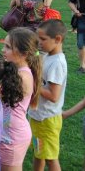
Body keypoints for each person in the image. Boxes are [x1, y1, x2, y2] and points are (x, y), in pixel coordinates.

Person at [0, 27, 42, 171]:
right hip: (7, 131)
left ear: (24, 53)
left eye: (8, 47)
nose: (3, 50)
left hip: (12, 136)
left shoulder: (22, 77)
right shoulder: (16, 70)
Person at [28, 19, 67, 171]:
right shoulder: (47, 56)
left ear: (57, 39)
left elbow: (53, 95)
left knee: (51, 158)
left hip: (47, 120)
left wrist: (32, 84)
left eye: (43, 39)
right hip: (39, 117)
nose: (39, 43)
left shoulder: (57, 63)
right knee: (39, 153)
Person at [68, 0, 85, 73]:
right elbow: (71, 2)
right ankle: (82, 66)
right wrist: (76, 11)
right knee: (80, 43)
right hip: (82, 18)